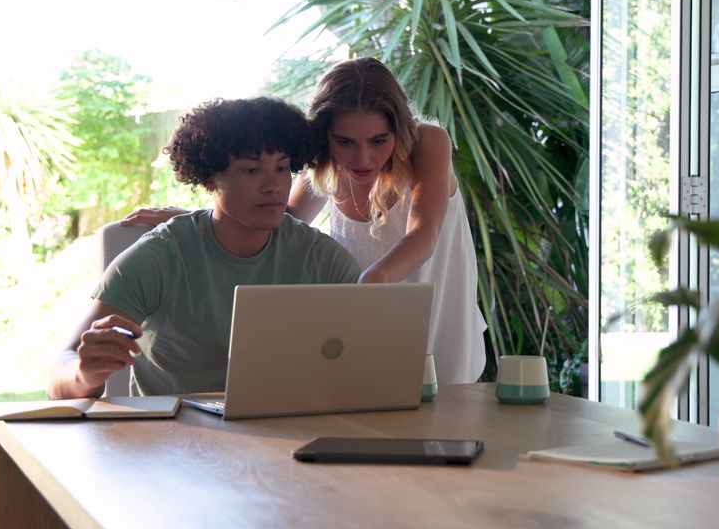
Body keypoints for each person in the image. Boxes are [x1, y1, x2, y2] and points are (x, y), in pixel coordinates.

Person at [122, 57, 486, 384]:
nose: (363, 158)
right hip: (362, 329)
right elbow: (282, 217)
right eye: (345, 142)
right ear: (325, 136)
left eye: (379, 141)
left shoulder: (428, 142)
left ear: (399, 130)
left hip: (433, 319)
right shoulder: (326, 166)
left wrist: (370, 285)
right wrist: (196, 219)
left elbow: (424, 233)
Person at [49, 97, 360, 400]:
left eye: (282, 168)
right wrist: (83, 375)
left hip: (285, 428)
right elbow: (59, 378)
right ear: (211, 179)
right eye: (251, 170)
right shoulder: (160, 257)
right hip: (174, 430)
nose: (273, 186)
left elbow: (366, 358)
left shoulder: (321, 258)